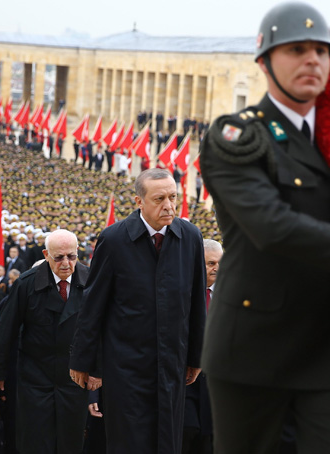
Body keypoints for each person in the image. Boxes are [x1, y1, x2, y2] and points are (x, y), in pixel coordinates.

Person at [198, 4, 330, 452]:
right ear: (265, 62)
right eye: (296, 49)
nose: (312, 60)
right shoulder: (236, 137)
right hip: (254, 344)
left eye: (321, 51)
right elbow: (272, 227)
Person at [70, 169, 207, 454]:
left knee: (167, 440)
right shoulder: (114, 239)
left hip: (172, 364)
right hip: (126, 368)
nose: (169, 206)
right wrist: (84, 362)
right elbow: (93, 306)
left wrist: (196, 356)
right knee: (130, 441)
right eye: (159, 199)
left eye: (173, 197)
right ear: (139, 201)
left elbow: (195, 304)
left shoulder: (191, 236)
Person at [0, 229, 93, 454]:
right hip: (35, 378)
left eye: (72, 256)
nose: (66, 263)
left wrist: (98, 370)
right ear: (46, 254)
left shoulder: (92, 280)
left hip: (75, 378)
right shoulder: (26, 283)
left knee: (71, 441)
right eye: (59, 257)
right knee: (36, 441)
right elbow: (5, 330)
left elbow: (102, 330)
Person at [183, 239, 222, 454]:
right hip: (187, 379)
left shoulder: (230, 295)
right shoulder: (183, 292)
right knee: (186, 433)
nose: (217, 268)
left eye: (220, 263)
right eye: (211, 263)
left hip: (217, 382)